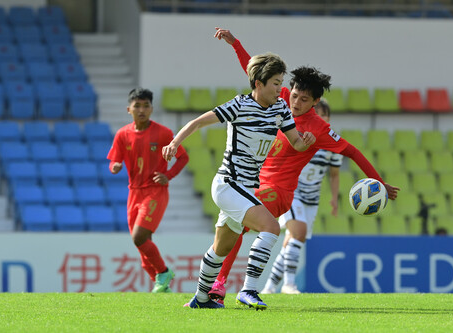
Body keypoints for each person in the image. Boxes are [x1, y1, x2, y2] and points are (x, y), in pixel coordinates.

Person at [208, 27, 400, 302]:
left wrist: (379, 181)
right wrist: (235, 43)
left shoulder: (319, 128)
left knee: (239, 224)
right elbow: (255, 75)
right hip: (255, 181)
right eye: (295, 95)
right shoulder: (281, 98)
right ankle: (226, 285)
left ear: (316, 102)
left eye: (304, 100)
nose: (296, 103)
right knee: (231, 228)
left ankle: (230, 287)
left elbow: (354, 152)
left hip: (280, 190)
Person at [162, 52, 316, 310]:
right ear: (259, 83)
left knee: (220, 248)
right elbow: (198, 122)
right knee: (271, 228)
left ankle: (200, 299)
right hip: (227, 183)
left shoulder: (280, 108)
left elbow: (296, 143)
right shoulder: (239, 106)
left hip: (245, 188)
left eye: (281, 82)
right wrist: (174, 142)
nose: (282, 89)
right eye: (276, 83)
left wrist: (306, 142)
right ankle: (249, 290)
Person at [107, 88, 189, 293]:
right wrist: (115, 167)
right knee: (142, 245)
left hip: (155, 190)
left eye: (146, 106)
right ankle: (161, 286)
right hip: (133, 192)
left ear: (152, 109)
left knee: (138, 237)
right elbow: (114, 161)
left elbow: (183, 157)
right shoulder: (122, 134)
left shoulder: (163, 133)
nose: (141, 110)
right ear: (129, 109)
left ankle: (163, 271)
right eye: (137, 106)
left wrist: (167, 176)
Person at [261, 99, 342, 295]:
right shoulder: (298, 136)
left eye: (324, 116)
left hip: (312, 199)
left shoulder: (332, 143)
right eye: (318, 114)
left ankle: (270, 286)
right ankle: (289, 284)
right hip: (292, 192)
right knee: (298, 234)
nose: (320, 119)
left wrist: (334, 198)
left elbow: (334, 174)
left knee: (293, 242)